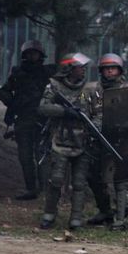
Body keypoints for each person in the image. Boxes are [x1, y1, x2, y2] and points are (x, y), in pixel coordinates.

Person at [37, 52, 93, 230]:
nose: (83, 71)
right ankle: (49, 214)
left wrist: (94, 126)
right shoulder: (54, 86)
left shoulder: (89, 89)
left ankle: (76, 218)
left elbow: (97, 112)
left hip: (82, 141)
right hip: (60, 140)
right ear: (69, 69)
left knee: (79, 183)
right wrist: (65, 111)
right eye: (79, 67)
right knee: (56, 179)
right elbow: (43, 107)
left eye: (84, 67)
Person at [0, 40, 56, 200]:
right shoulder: (18, 73)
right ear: (24, 55)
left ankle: (43, 190)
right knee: (25, 157)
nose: (32, 56)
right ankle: (31, 189)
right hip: (23, 120)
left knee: (41, 156)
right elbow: (3, 91)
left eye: (35, 53)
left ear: (41, 55)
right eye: (29, 53)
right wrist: (14, 103)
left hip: (43, 120)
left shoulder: (47, 73)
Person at [85, 53, 128, 230]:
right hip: (97, 141)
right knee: (93, 177)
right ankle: (105, 210)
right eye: (106, 68)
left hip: (121, 142)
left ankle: (121, 218)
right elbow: (85, 112)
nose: (109, 71)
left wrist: (123, 126)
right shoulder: (92, 90)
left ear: (120, 70)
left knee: (121, 180)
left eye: (112, 68)